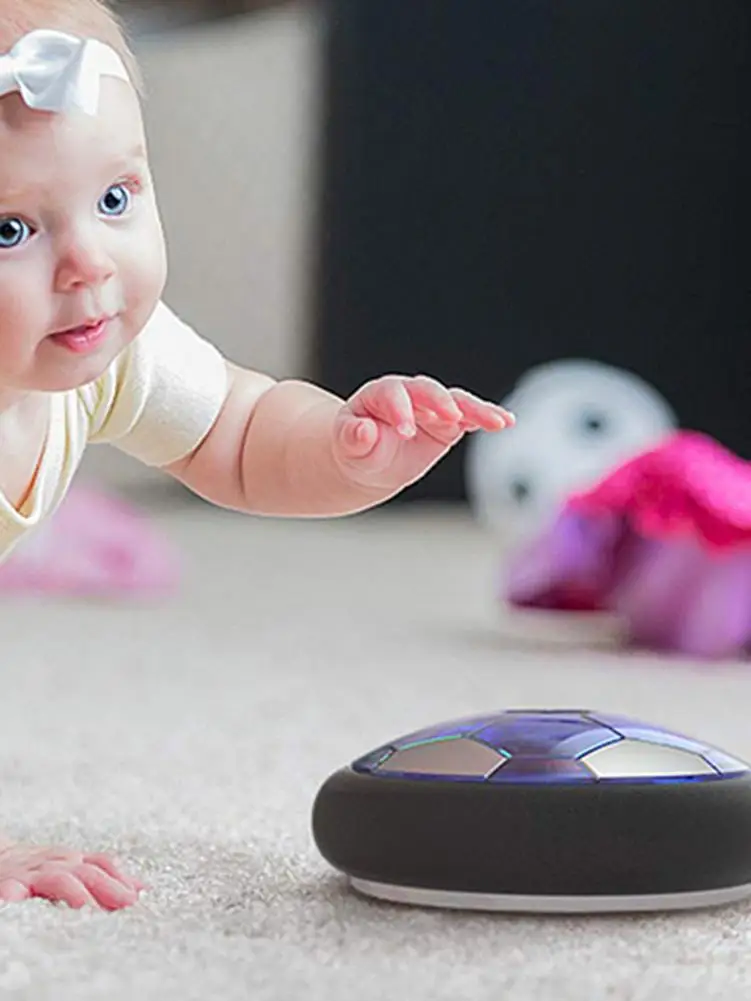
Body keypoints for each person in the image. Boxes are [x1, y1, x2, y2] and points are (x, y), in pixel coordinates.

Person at [0, 0, 514, 911]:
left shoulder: (105, 350)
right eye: (10, 230)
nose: (90, 264)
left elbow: (237, 433)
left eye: (114, 199)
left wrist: (348, 449)